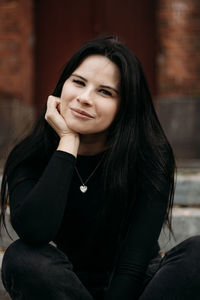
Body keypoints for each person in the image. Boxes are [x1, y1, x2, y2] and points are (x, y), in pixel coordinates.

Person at [0, 36, 200, 300]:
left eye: (105, 92)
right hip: (64, 285)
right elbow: (35, 231)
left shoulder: (149, 157)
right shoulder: (31, 155)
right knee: (21, 258)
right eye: (79, 82)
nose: (84, 98)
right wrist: (68, 143)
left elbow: (133, 262)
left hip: (138, 285)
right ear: (63, 86)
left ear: (124, 107)